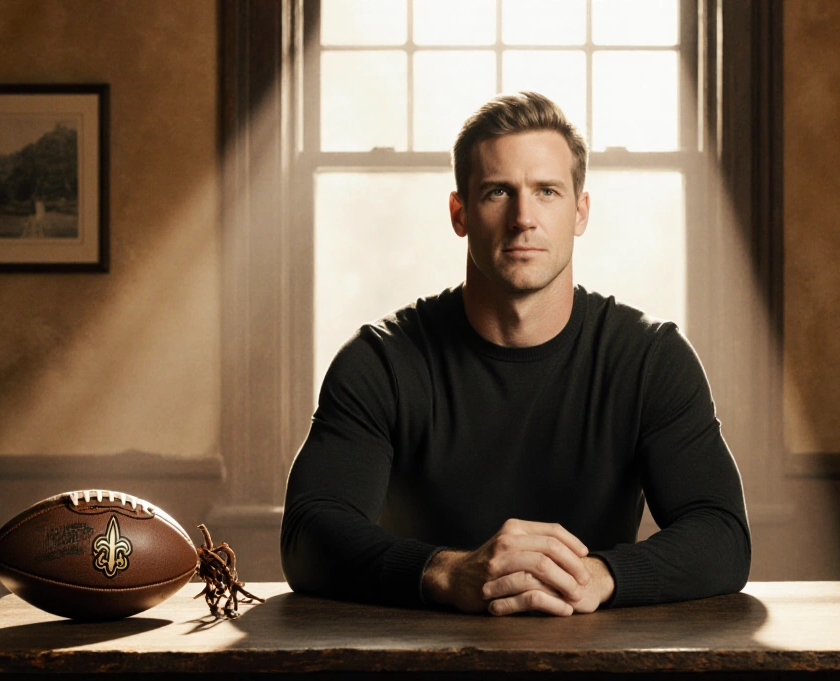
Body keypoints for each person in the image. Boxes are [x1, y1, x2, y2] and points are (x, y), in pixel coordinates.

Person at [281, 92, 750, 617]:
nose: (523, 217)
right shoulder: (380, 362)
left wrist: (599, 576)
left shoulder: (650, 359)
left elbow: (723, 535)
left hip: (601, 655)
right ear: (459, 213)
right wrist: (446, 572)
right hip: (415, 654)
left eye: (547, 191)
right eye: (498, 191)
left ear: (580, 212)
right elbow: (309, 533)